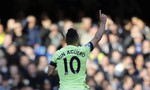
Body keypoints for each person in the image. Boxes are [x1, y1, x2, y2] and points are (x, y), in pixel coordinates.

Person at [48, 10, 107, 90]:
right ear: (77, 39)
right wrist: (103, 22)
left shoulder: (58, 54)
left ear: (66, 40)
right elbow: (97, 37)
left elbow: (49, 72)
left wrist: (60, 70)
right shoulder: (84, 50)